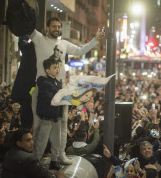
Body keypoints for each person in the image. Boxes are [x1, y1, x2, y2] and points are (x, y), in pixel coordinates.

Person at [29, 17, 105, 164]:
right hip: (42, 88)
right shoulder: (39, 39)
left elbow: (81, 50)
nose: (57, 29)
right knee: (39, 124)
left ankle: (59, 155)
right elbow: (27, 29)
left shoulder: (63, 43)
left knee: (62, 123)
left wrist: (95, 40)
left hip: (61, 88)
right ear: (47, 27)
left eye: (59, 26)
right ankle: (36, 157)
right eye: (54, 26)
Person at [34, 58, 64, 170]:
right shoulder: (44, 83)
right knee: (42, 140)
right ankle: (36, 161)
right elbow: (50, 99)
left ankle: (54, 161)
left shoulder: (58, 82)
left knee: (57, 140)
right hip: (47, 117)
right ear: (47, 70)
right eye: (54, 67)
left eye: (57, 67)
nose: (57, 69)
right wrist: (62, 96)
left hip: (57, 116)